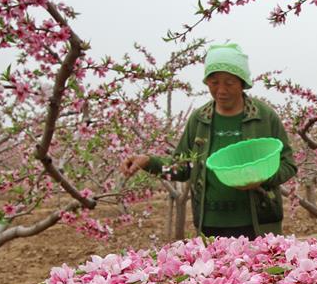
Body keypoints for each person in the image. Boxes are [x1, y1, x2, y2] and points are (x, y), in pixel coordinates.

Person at [121, 43, 296, 239]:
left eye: (229, 83)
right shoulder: (199, 119)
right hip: (210, 225)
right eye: (213, 82)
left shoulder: (264, 117)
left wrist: (261, 179)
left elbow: (288, 165)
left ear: (242, 82)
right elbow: (182, 167)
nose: (221, 90)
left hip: (258, 224)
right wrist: (148, 162)